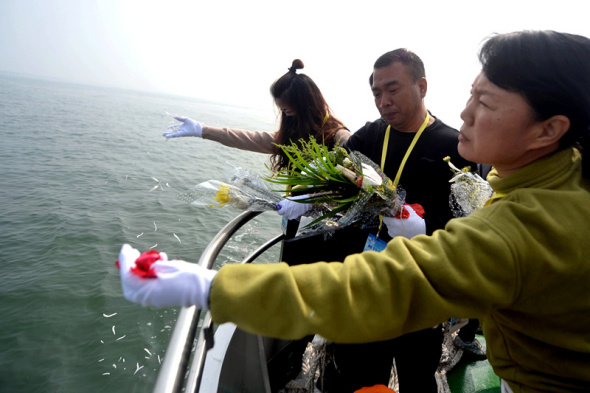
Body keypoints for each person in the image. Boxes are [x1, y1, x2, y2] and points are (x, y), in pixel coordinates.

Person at [118, 30, 590, 392]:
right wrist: (302, 197)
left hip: (424, 286)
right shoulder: (369, 137)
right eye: (376, 92)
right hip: (379, 262)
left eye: (484, 101)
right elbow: (336, 177)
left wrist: (209, 285)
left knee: (416, 371)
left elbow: (449, 248)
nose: (468, 112)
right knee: (353, 370)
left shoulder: (456, 148)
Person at [162, 59, 350, 174]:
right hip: (297, 222)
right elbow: (249, 139)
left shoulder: (338, 138)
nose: (287, 116)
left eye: (291, 111)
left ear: (307, 105)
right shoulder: (291, 138)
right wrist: (201, 130)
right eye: (283, 112)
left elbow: (358, 180)